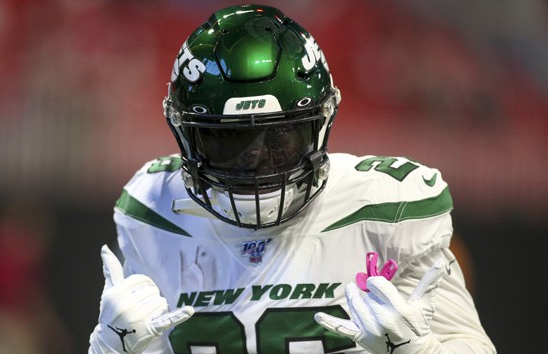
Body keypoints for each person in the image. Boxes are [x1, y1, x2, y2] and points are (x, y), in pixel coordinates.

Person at [88, 4, 496, 354]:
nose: (253, 159)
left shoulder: (386, 211)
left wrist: (419, 351)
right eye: (227, 139)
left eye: (279, 136)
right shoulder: (155, 211)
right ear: (186, 135)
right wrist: (109, 346)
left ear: (320, 123)